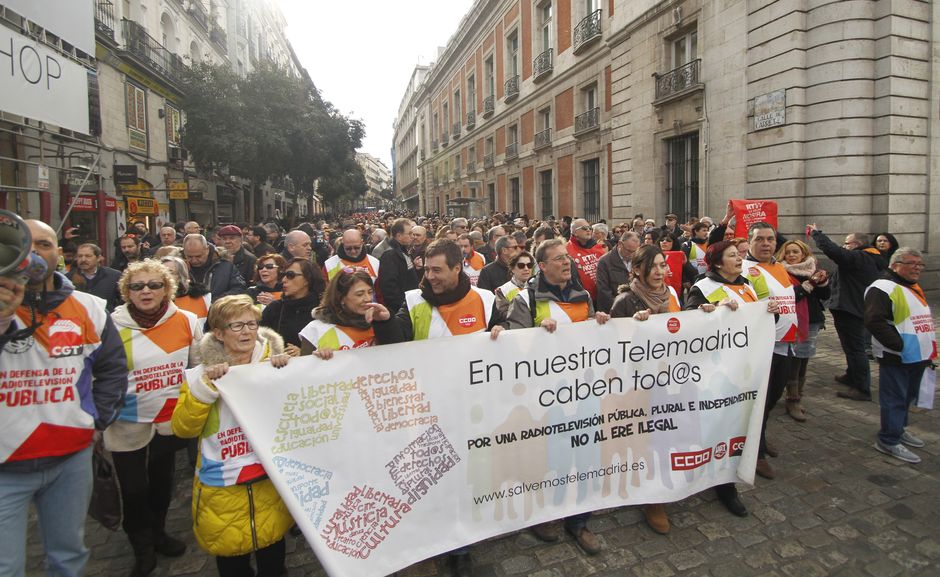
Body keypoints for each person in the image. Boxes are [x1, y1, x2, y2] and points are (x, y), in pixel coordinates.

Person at [0, 219, 127, 577]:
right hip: (6, 463)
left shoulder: (88, 307)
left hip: (70, 457)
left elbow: (113, 369)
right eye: (25, 246)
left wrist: (96, 420)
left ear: (60, 253)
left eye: (44, 244)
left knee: (68, 556)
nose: (34, 253)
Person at [373, 239, 503, 577]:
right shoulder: (413, 301)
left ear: (457, 268)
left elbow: (507, 341)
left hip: (471, 408)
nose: (429, 276)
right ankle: (429, 542)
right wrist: (386, 320)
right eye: (426, 269)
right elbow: (396, 341)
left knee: (463, 480)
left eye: (437, 270)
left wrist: (504, 331)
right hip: (424, 412)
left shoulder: (486, 300)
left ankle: (460, 546)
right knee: (429, 482)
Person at [171, 295, 292, 577]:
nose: (247, 332)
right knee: (232, 564)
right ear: (218, 333)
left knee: (274, 557)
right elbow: (182, 429)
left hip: (269, 481)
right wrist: (204, 391)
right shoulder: (197, 377)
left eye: (251, 324)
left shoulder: (277, 365)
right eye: (236, 326)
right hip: (222, 488)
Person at [504, 238, 609, 555]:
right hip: (544, 398)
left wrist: (598, 323)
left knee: (585, 453)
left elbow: (591, 338)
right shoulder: (526, 300)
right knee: (547, 457)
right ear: (543, 266)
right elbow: (511, 349)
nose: (567, 262)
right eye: (559, 258)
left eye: (568, 258)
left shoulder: (583, 295)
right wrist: (536, 335)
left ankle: (579, 521)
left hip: (583, 390)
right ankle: (542, 514)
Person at [108, 260, 202, 576]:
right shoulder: (111, 325)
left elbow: (197, 366)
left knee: (162, 484)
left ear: (167, 288)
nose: (145, 291)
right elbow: (100, 373)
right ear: (126, 291)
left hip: (168, 419)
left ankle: (159, 533)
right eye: (137, 286)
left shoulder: (187, 321)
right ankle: (142, 548)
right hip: (126, 421)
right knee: (134, 490)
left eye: (154, 285)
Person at [607, 245, 681, 535]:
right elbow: (610, 350)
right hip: (638, 385)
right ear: (637, 270)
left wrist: (707, 316)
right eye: (654, 267)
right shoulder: (625, 301)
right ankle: (653, 499)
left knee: (668, 435)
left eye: (663, 265)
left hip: (671, 378)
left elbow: (686, 330)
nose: (661, 272)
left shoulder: (673, 294)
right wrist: (632, 329)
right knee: (646, 439)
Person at [865, 248, 934, 464]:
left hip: (918, 354)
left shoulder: (911, 286)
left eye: (920, 264)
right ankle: (888, 439)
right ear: (895, 265)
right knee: (894, 398)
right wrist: (899, 345)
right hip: (897, 355)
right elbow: (874, 321)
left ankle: (899, 429)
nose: (917, 268)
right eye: (912, 263)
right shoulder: (882, 287)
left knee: (907, 396)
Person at [807, 225, 886, 401]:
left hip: (851, 308)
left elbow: (834, 251)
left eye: (846, 243)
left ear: (856, 244)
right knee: (850, 347)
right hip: (852, 307)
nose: (844, 246)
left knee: (855, 349)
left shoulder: (860, 257)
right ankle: (852, 375)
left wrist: (816, 234)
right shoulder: (867, 258)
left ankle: (861, 388)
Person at [742, 222, 791, 480]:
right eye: (759, 239)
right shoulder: (744, 270)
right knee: (758, 399)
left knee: (773, 396)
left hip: (784, 342)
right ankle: (755, 452)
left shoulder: (779, 267)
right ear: (749, 242)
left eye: (770, 239)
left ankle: (761, 435)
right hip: (758, 346)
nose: (765, 243)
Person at [776, 239, 830, 422]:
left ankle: (799, 392)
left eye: (795, 252)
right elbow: (791, 296)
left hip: (811, 319)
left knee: (804, 358)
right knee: (794, 359)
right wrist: (809, 285)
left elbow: (825, 296)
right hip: (790, 320)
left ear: (803, 254)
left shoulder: (813, 271)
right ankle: (792, 398)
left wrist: (822, 283)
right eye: (788, 252)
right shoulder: (779, 271)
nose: (791, 255)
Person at [299, 269, 390, 356]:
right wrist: (319, 359)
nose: (368, 299)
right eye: (360, 294)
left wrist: (387, 323)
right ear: (341, 298)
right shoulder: (316, 329)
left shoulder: (378, 323)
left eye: (370, 292)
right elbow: (304, 368)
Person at [260, 258, 321, 357]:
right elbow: (259, 341)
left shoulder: (322, 311)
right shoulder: (275, 308)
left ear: (307, 279)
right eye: (283, 275)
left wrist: (304, 352)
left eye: (290, 275)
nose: (284, 280)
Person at [182, 234, 246, 300]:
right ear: (184, 252)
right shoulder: (176, 267)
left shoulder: (226, 266)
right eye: (189, 257)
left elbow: (239, 288)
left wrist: (217, 302)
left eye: (198, 256)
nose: (194, 260)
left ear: (207, 250)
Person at [376, 218, 418, 315]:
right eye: (409, 233)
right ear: (399, 236)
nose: (413, 236)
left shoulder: (402, 250)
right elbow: (389, 287)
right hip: (401, 309)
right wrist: (402, 307)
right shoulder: (389, 254)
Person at [68, 242, 122, 312]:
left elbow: (124, 299)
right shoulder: (68, 278)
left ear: (98, 258)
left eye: (88, 256)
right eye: (80, 256)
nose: (83, 259)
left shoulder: (114, 276)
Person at [595, 231, 640, 314]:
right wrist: (621, 306)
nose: (631, 255)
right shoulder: (605, 262)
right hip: (612, 310)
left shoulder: (638, 259)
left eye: (634, 251)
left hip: (636, 309)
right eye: (628, 251)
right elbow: (603, 291)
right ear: (620, 244)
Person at [161, 256, 211, 325]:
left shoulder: (203, 297)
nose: (165, 277)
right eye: (161, 273)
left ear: (180, 276)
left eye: (170, 272)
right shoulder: (151, 300)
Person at [566, 218, 607, 302]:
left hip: (601, 297)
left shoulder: (598, 247)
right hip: (580, 299)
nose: (588, 230)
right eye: (584, 228)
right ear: (575, 232)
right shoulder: (566, 250)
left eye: (590, 228)